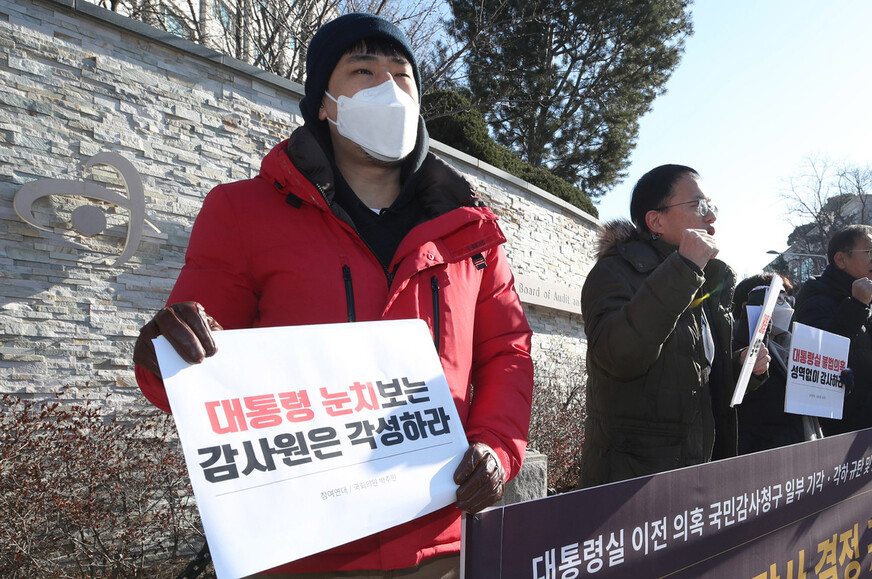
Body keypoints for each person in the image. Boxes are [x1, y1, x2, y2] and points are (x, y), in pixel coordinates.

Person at [132, 13, 534, 577]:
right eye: (363, 71)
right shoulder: (243, 213)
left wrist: (496, 448)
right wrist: (162, 353)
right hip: (301, 548)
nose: (389, 90)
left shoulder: (471, 231)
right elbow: (188, 373)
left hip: (438, 538)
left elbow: (507, 352)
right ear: (324, 102)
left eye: (402, 75)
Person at [578, 164, 769, 488]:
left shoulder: (705, 281)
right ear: (656, 220)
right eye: (698, 206)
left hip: (699, 479)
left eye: (712, 207)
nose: (711, 218)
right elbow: (620, 356)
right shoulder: (615, 273)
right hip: (632, 485)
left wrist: (742, 369)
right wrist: (683, 268)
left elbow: (696, 381)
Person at [793, 224, 872, 436]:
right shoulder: (818, 299)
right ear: (841, 260)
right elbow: (820, 359)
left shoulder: (870, 303)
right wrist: (856, 307)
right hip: (839, 435)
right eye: (868, 251)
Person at [732, 274, 820, 453]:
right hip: (762, 454)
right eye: (778, 298)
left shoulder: (798, 347)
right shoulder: (733, 346)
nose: (787, 305)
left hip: (799, 447)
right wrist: (754, 318)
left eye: (788, 299)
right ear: (746, 305)